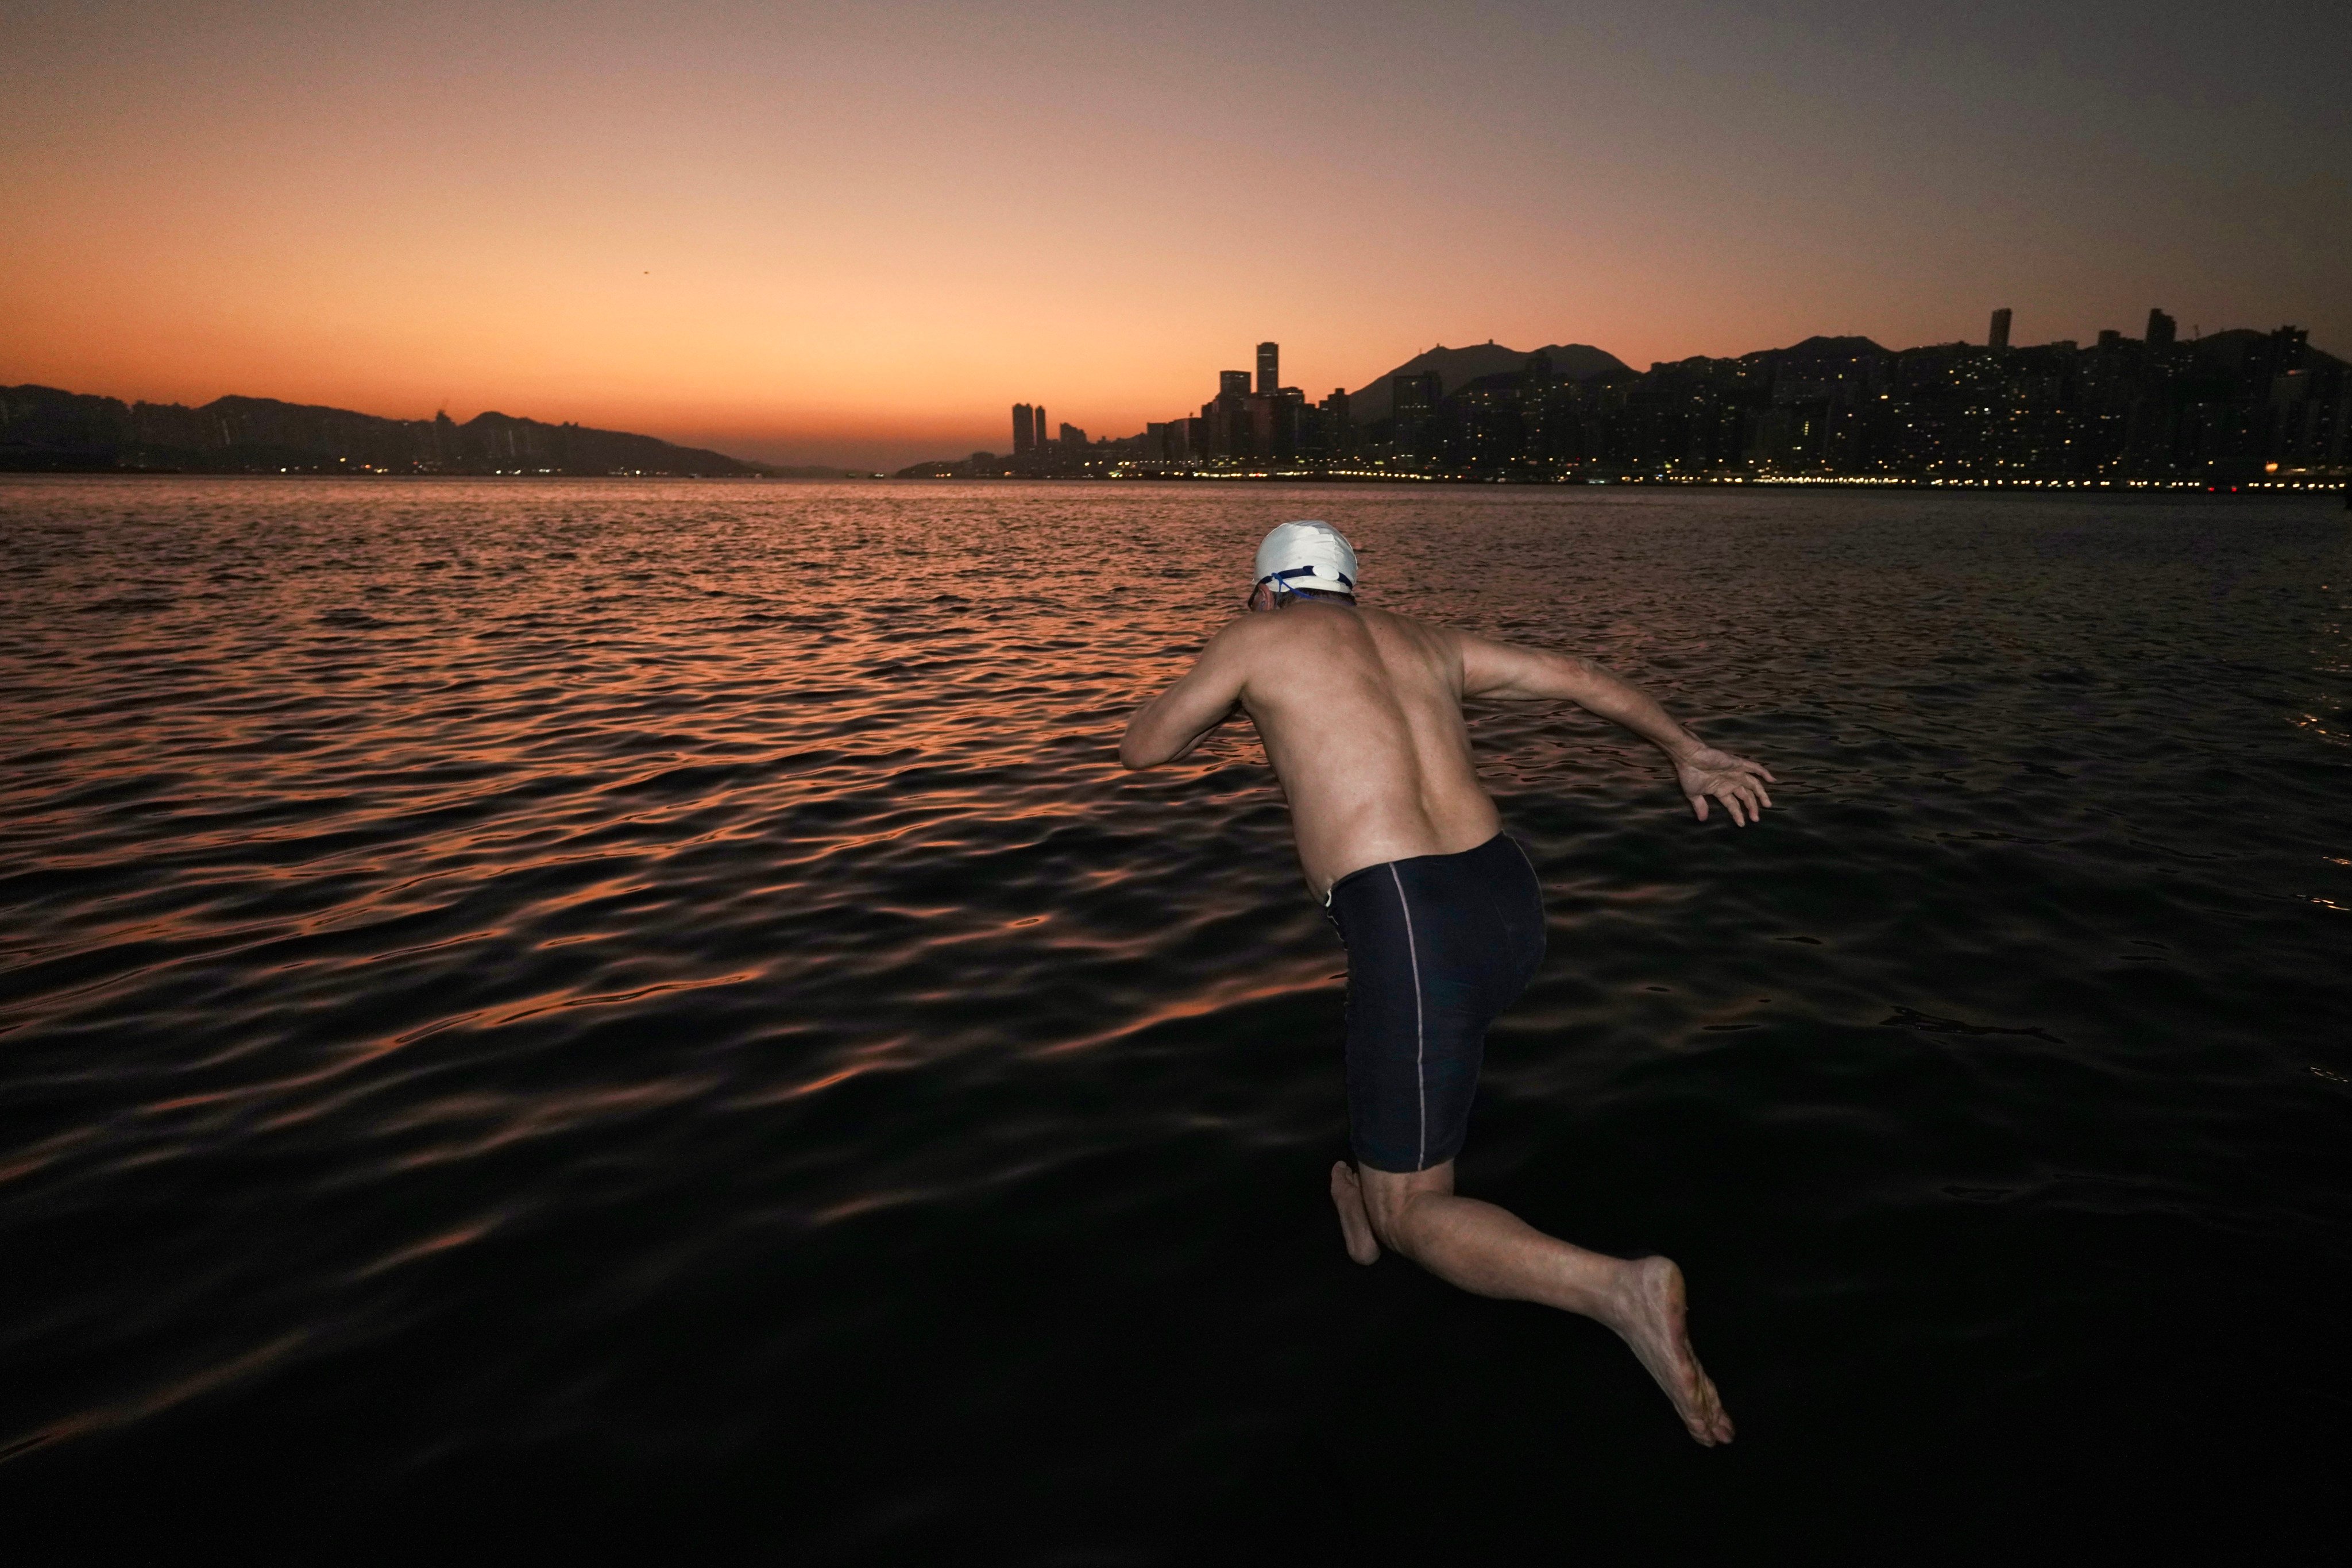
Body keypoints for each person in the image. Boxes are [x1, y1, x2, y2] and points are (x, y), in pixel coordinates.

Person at [1119, 520, 1774, 1446]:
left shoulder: (1255, 638)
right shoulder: (1427, 642)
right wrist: (1687, 750)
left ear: (1267, 592)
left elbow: (1144, 748)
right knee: (1393, 1063)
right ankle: (1366, 1201)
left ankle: (1615, 1291)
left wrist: (1234, 688)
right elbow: (1575, 676)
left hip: (1412, 921)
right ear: (1348, 585)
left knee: (1415, 1206)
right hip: (1508, 904)